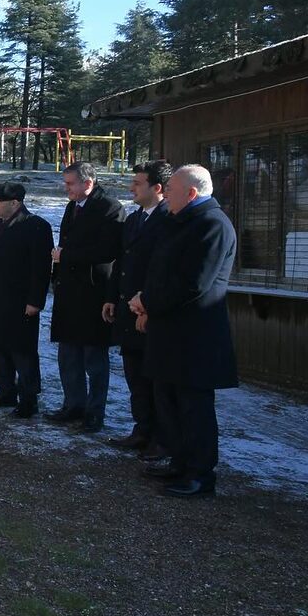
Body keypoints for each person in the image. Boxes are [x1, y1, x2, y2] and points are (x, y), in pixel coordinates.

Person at [130, 164, 237, 498]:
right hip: (169, 332)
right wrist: (147, 304)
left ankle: (200, 474)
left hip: (195, 338)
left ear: (191, 193)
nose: (166, 195)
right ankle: (179, 462)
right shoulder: (179, 222)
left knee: (194, 408)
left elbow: (193, 284)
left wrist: (147, 302)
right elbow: (160, 271)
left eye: (172, 190)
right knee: (169, 402)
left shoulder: (211, 225)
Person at [45, 161, 125, 434]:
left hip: (93, 293)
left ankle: (94, 413)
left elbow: (108, 250)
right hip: (69, 292)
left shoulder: (110, 208)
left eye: (69, 184)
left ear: (87, 183)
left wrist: (66, 256)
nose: (65, 189)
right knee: (68, 355)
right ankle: (73, 405)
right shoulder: (72, 207)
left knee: (94, 358)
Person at [102, 161, 171, 456]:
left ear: (157, 188)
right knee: (134, 375)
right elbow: (122, 263)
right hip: (127, 309)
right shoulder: (133, 220)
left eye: (138, 183)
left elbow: (163, 271)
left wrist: (148, 307)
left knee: (157, 379)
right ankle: (142, 429)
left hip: (151, 312)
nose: (131, 188)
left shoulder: (169, 220)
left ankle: (163, 437)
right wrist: (111, 297)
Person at [0, 182, 54, 418]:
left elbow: (41, 269)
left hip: (19, 301)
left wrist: (35, 301)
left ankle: (28, 399)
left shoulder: (36, 226)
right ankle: (5, 390)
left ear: (16, 203)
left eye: (0, 201)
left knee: (22, 350)